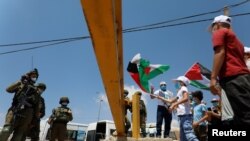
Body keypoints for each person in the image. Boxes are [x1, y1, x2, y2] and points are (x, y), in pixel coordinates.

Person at [209, 15, 250, 126]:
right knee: (242, 116)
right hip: (243, 78)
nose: (212, 30)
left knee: (245, 117)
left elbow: (220, 53)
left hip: (233, 78)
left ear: (217, 24)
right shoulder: (238, 41)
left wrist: (213, 78)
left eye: (213, 27)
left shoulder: (220, 32)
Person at [0, 68, 40, 141]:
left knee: (18, 136)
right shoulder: (21, 84)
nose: (34, 78)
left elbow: (37, 107)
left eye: (35, 77)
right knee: (5, 131)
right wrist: (20, 81)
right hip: (15, 110)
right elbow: (8, 89)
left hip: (27, 114)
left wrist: (34, 121)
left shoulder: (36, 91)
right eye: (32, 76)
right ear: (28, 76)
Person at [169, 76, 198, 141]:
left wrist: (174, 104)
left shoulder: (184, 88)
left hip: (185, 115)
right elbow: (170, 101)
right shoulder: (180, 91)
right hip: (182, 116)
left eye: (178, 81)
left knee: (189, 134)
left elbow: (185, 98)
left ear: (182, 82)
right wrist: (158, 97)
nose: (177, 83)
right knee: (183, 138)